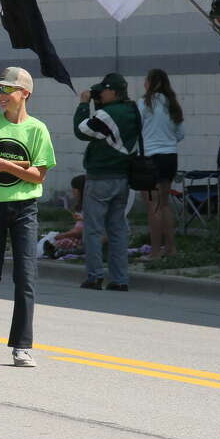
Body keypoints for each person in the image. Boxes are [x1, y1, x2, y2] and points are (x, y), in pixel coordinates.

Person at [0, 67, 55, 368]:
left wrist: (7, 166)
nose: (0, 96)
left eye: (6, 90)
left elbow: (38, 175)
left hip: (25, 209)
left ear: (25, 94)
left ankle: (21, 346)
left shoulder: (37, 130)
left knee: (25, 279)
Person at [74, 71, 141, 291]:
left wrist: (85, 104)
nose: (99, 95)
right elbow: (109, 131)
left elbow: (82, 130)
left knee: (93, 230)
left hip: (100, 178)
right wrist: (99, 104)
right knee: (117, 230)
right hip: (123, 178)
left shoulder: (107, 114)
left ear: (113, 91)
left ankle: (94, 277)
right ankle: (120, 279)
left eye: (102, 91)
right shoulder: (132, 110)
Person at [139, 69, 184, 259]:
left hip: (151, 158)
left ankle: (155, 251)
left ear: (150, 82)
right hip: (170, 157)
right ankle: (171, 249)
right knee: (164, 205)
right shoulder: (173, 105)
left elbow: (136, 128)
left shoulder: (144, 104)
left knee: (153, 206)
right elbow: (180, 134)